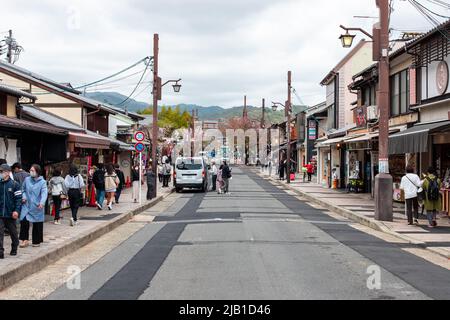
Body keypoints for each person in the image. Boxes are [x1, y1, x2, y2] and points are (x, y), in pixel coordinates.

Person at [19, 164, 47, 248]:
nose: (31, 172)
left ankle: (36, 240)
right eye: (30, 170)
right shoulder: (27, 179)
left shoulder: (42, 182)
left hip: (37, 205)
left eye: (33, 171)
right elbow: (22, 189)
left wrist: (42, 203)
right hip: (26, 204)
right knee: (24, 221)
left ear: (37, 172)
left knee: (37, 223)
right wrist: (23, 197)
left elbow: (44, 193)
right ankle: (24, 240)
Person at [0, 164, 21, 259]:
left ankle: (14, 248)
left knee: (13, 233)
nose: (0, 173)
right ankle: (0, 252)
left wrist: (16, 211)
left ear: (7, 172)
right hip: (0, 214)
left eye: (2, 171)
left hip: (10, 213)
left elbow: (18, 199)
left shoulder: (15, 184)